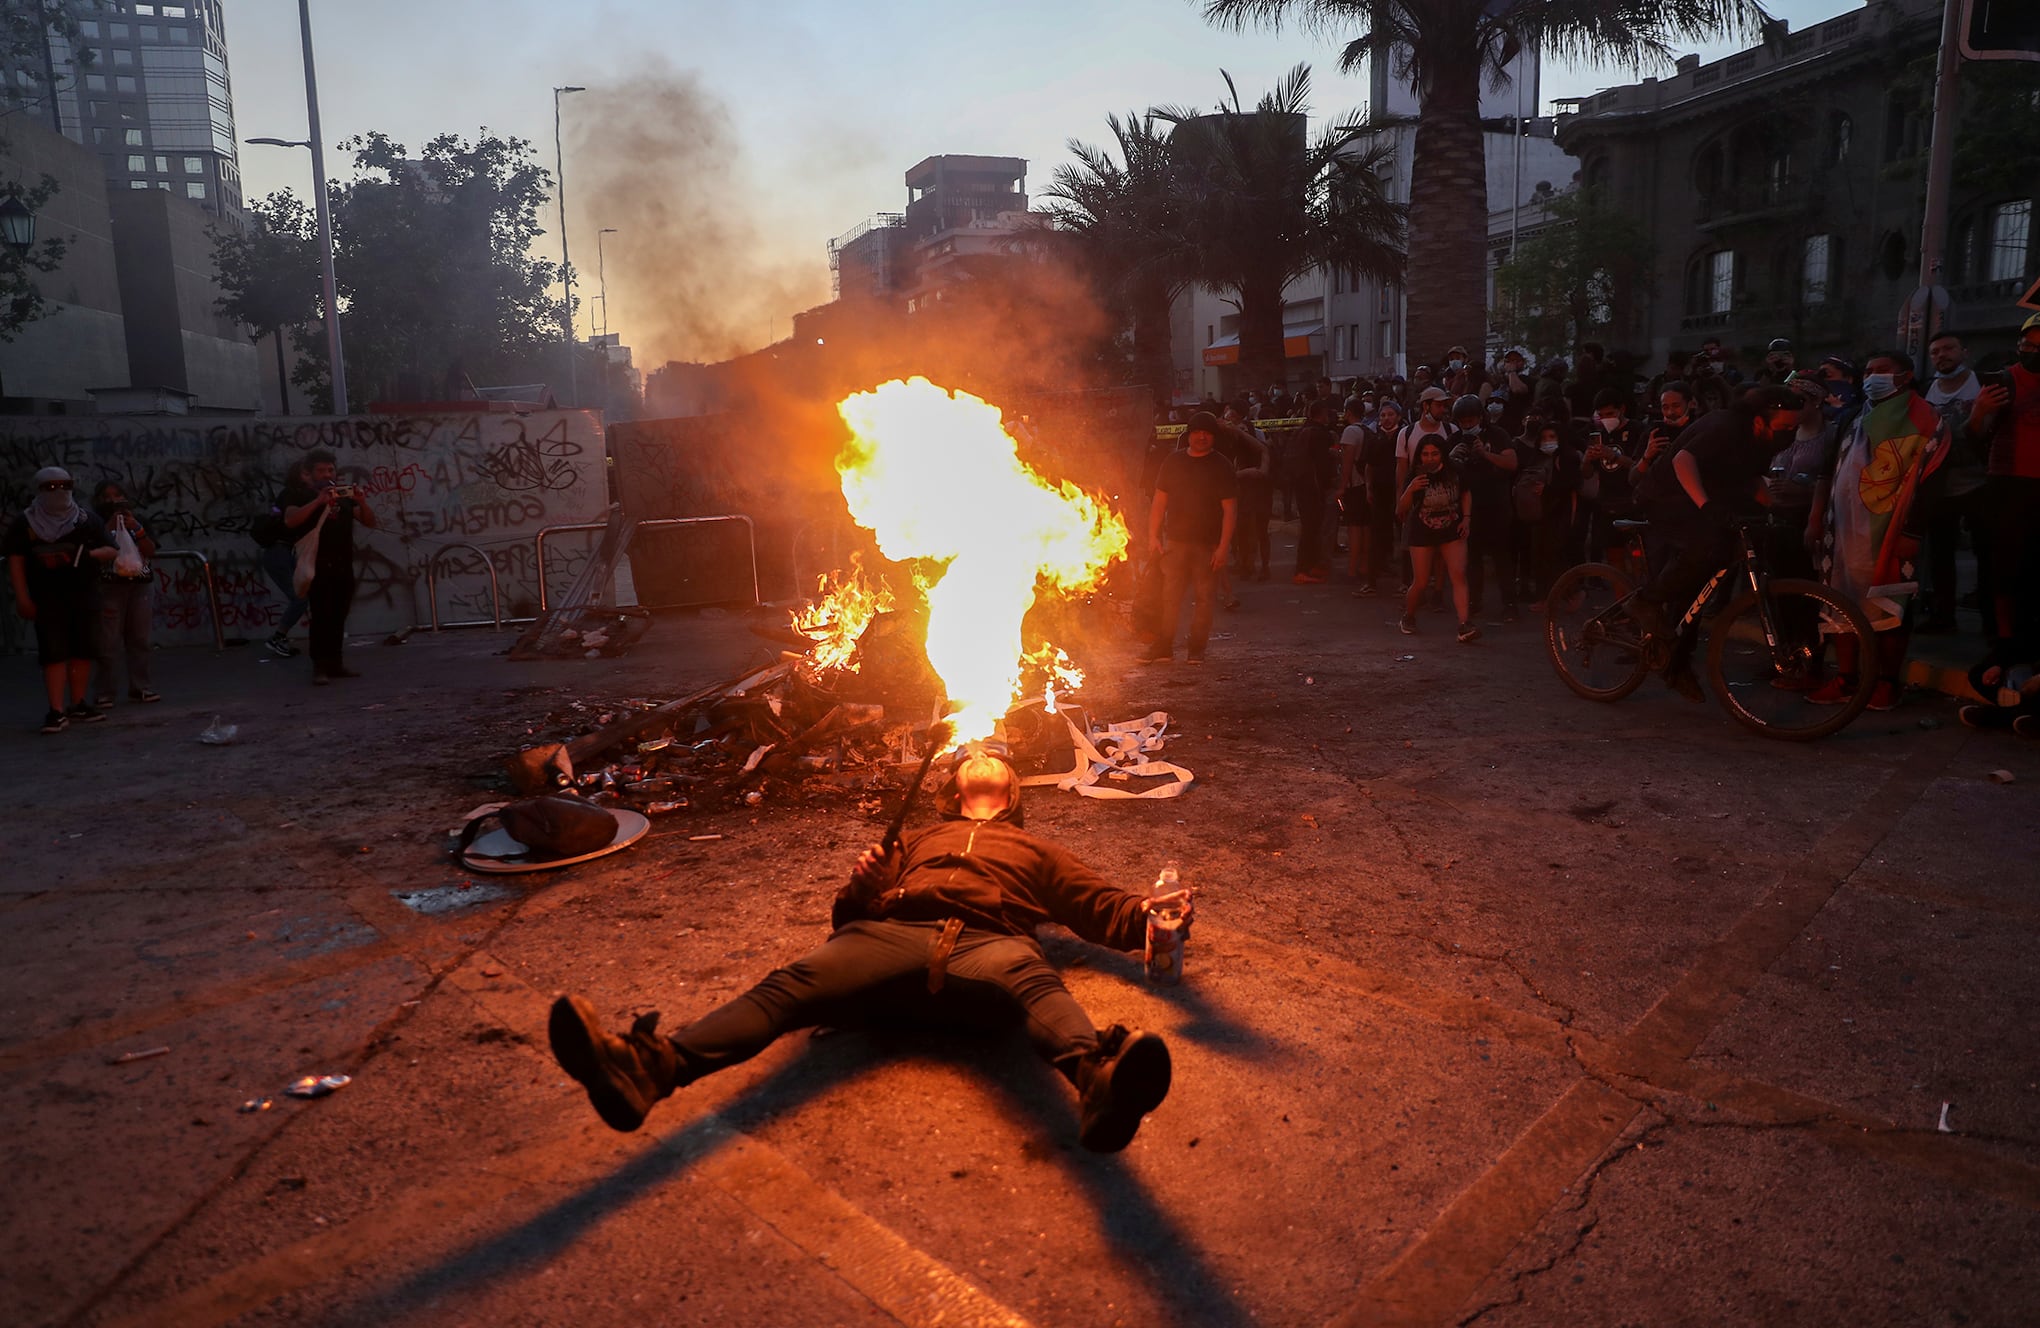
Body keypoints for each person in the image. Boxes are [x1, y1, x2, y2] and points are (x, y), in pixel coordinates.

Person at [546, 751, 1187, 1153]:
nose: (985, 754)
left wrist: (1157, 918)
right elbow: (848, 921)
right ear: (953, 785)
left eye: (997, 756)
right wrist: (863, 888)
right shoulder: (918, 836)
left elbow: (1106, 908)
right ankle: (649, 1068)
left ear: (1014, 793)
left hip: (992, 948)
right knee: (787, 985)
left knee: (1039, 981)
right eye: (974, 752)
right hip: (888, 940)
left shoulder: (1036, 851)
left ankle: (1098, 1082)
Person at [1629, 386, 1808, 702]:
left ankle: (1675, 658)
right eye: (1783, 427)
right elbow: (1683, 461)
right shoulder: (1724, 425)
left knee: (1705, 578)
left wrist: (1773, 511)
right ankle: (1647, 600)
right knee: (1707, 546)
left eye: (1794, 428)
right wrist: (1706, 506)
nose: (1789, 434)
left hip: (1712, 495)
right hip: (1667, 495)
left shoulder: (1765, 441)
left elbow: (1752, 480)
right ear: (1757, 420)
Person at [1806, 352, 1948, 711]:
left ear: (1906, 376)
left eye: (1881, 371)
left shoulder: (1926, 420)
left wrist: (1912, 533)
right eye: (1868, 371)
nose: (1872, 377)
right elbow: (1827, 472)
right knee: (1842, 603)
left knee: (1891, 602)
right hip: (1844, 532)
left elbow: (1931, 481)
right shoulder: (1853, 416)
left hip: (1890, 530)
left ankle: (1886, 682)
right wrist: (1816, 516)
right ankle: (1846, 678)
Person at [6, 466, 117, 732]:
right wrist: (22, 597)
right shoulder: (26, 522)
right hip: (47, 597)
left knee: (82, 651)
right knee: (53, 653)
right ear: (40, 489)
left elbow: (112, 549)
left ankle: (77, 703)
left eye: (64, 485)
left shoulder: (85, 519)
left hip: (84, 594)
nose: (60, 492)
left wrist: (86, 555)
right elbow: (16, 560)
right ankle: (56, 709)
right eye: (51, 487)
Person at [1963, 314, 2040, 663]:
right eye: (2029, 344)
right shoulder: (2005, 381)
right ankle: (2005, 641)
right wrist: (1979, 412)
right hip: (2008, 484)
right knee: (2004, 568)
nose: (2034, 351)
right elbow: (1974, 435)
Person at [275, 449, 378, 684]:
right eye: (321, 470)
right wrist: (318, 501)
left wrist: (361, 502)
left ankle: (336, 663)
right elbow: (291, 520)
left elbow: (370, 522)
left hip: (342, 563)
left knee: (339, 615)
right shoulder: (297, 495)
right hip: (317, 565)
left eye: (330, 470)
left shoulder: (343, 497)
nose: (327, 474)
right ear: (308, 473)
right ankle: (319, 666)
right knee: (321, 615)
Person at [1146, 412, 1237, 664]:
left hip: (1208, 545)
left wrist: (1223, 547)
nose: (1202, 437)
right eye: (1197, 432)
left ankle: (1196, 648)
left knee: (1205, 598)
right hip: (1174, 543)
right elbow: (1159, 501)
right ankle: (1163, 646)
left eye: (1207, 433)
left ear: (1214, 437)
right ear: (1188, 435)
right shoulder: (1173, 462)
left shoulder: (1222, 466)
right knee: (1169, 597)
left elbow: (1230, 509)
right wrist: (1153, 535)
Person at [1919, 332, 1990, 634]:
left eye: (1948, 349)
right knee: (1940, 555)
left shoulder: (1985, 384)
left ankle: (1992, 619)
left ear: (1964, 351)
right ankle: (1942, 615)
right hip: (1940, 486)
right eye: (1935, 351)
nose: (1941, 355)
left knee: (1987, 552)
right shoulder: (1925, 391)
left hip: (1981, 483)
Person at [1446, 393, 1522, 621]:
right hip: (1469, 508)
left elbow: (1511, 463)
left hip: (1497, 505)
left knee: (1502, 558)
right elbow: (1443, 473)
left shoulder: (1497, 435)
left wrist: (1485, 454)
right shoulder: (1455, 440)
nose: (1468, 426)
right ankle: (1474, 601)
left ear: (1480, 417)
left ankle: (1510, 603)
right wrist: (1451, 458)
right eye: (1463, 422)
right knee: (1472, 558)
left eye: (1471, 420)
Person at [1396, 436, 1476, 642]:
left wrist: (1466, 518)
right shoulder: (1416, 475)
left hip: (1451, 529)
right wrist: (1411, 489)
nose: (1429, 458)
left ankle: (1464, 624)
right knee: (1421, 582)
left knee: (1458, 575)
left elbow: (1466, 492)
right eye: (1425, 454)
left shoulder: (1455, 470)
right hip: (1422, 531)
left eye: (1434, 454)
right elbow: (1401, 509)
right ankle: (1409, 616)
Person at [89, 480, 160, 708]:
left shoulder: (137, 520)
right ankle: (105, 691)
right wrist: (110, 526)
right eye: (106, 496)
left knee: (140, 638)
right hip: (109, 586)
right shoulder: (93, 522)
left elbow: (150, 550)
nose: (112, 500)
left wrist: (136, 528)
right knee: (108, 641)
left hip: (140, 584)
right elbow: (94, 551)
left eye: (117, 495)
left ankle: (141, 687)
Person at [254, 458, 313, 659]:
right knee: (299, 598)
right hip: (279, 552)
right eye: (307, 473)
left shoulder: (298, 495)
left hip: (284, 551)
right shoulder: (293, 495)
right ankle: (278, 637)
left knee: (303, 596)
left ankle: (280, 637)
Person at [1345, 398, 1400, 595]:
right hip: (1379, 493)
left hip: (1400, 493)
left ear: (1398, 417)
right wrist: (1368, 488)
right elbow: (1368, 466)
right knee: (1377, 535)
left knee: (1402, 537)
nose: (1386, 419)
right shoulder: (1375, 439)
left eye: (1390, 415)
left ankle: (1405, 581)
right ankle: (1371, 580)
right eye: (1383, 415)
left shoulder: (1404, 436)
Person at [1221, 400, 1274, 581]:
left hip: (1257, 492)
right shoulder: (1230, 442)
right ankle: (1246, 564)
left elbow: (1264, 456)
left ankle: (1260, 566)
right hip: (1243, 491)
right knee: (1243, 530)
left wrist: (1258, 471)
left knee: (1258, 530)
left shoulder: (1252, 438)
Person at [1289, 396, 1339, 585]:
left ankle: (1308, 566)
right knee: (1312, 528)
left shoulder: (1301, 431)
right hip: (1315, 487)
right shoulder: (1321, 434)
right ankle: (1303, 569)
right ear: (1323, 414)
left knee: (1309, 527)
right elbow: (1322, 465)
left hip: (1301, 485)